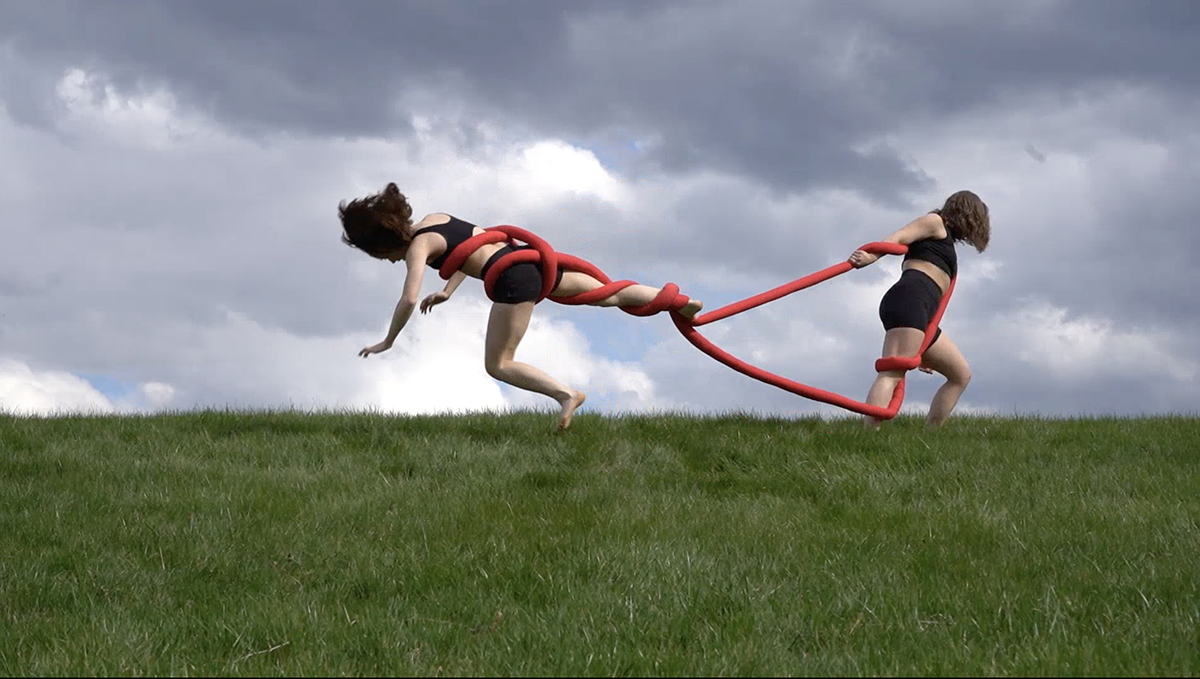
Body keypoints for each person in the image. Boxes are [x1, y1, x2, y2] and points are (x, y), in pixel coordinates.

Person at [339, 182, 704, 430]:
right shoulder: (437, 219)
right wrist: (448, 291)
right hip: (528, 261)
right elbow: (470, 249)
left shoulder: (418, 248)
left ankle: (566, 394)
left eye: (381, 257)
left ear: (383, 245)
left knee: (499, 364)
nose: (388, 262)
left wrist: (388, 340)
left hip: (512, 280)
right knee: (610, 294)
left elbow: (409, 298)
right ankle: (680, 301)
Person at [848, 190, 991, 430]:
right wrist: (871, 257)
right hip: (909, 300)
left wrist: (922, 347)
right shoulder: (934, 222)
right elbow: (897, 237)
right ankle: (868, 436)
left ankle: (930, 435)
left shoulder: (946, 241)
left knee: (960, 375)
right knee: (892, 372)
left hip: (923, 314)